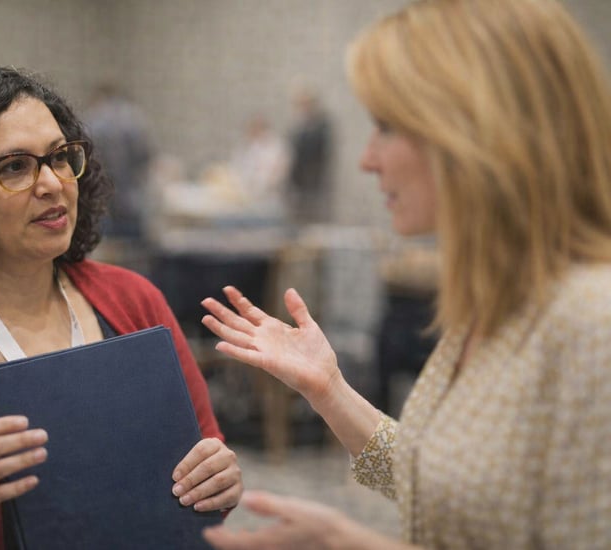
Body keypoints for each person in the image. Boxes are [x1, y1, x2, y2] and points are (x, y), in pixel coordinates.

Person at [199, 0, 611, 548]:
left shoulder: (592, 325)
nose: (368, 160)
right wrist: (329, 388)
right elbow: (451, 489)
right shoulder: (499, 304)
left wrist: (350, 542)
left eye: (387, 128)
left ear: (478, 132)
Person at [0, 66, 242, 550]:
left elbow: (205, 455)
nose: (53, 183)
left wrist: (218, 479)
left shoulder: (133, 300)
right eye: (15, 167)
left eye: (60, 157)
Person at [83, 82, 153, 240]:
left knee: (107, 243)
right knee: (133, 245)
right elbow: (145, 157)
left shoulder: (94, 119)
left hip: (103, 199)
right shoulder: (135, 118)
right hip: (132, 199)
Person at [287, 87, 332, 224]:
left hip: (313, 178)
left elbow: (317, 149)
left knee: (313, 216)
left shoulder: (320, 124)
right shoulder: (299, 125)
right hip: (298, 180)